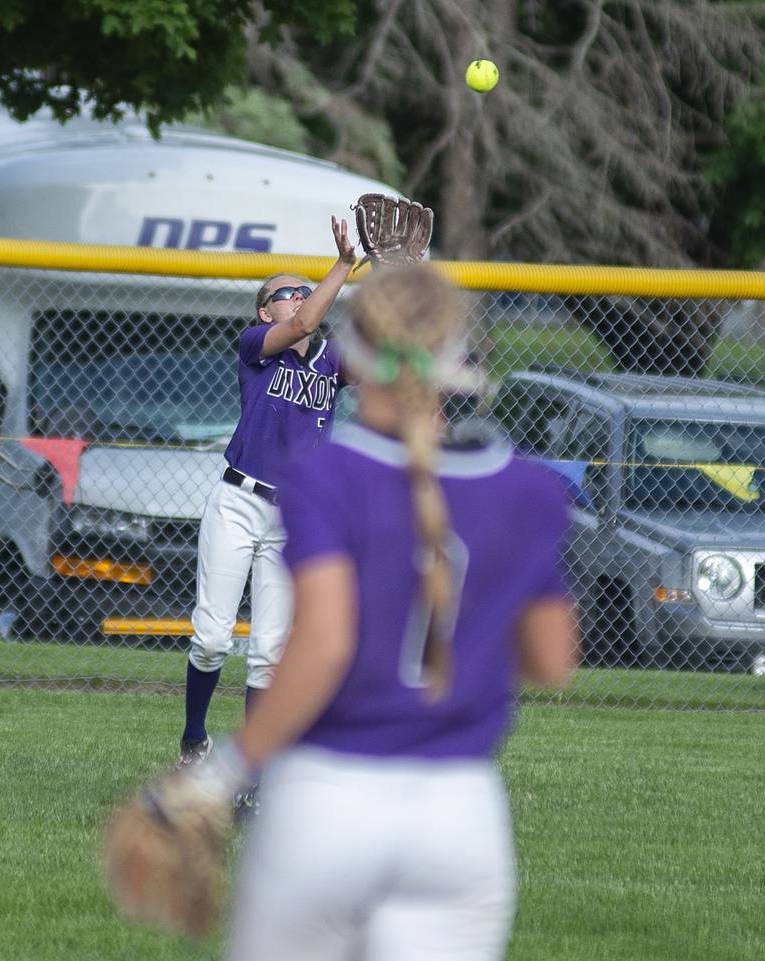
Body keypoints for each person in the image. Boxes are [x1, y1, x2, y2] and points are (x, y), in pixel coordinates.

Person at [189, 264, 579, 961]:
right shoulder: (527, 488)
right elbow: (553, 663)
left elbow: (328, 643)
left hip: (330, 796)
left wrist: (223, 776)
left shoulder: (326, 474)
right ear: (456, 361)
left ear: (356, 358)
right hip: (461, 811)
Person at [177, 217, 358, 766]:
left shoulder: (332, 361)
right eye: (289, 293)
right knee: (211, 638)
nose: (303, 298)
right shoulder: (256, 345)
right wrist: (345, 266)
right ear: (265, 311)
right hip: (239, 502)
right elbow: (306, 320)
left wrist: (395, 275)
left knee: (269, 653)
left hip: (294, 517)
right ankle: (194, 740)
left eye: (308, 290)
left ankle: (249, 770)